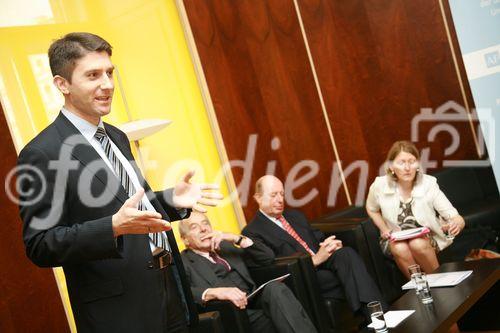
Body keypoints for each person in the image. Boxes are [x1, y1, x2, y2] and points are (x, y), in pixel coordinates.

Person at [17, 32, 222, 333]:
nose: (108, 84)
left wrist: (169, 200)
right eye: (93, 75)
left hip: (170, 290)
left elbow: (132, 206)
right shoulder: (43, 152)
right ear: (63, 85)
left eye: (110, 73)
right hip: (119, 313)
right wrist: (111, 227)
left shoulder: (116, 136)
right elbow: (40, 245)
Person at [242, 175, 386, 321]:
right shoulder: (252, 232)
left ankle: (376, 316)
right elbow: (273, 266)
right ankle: (375, 318)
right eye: (273, 195)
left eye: (282, 194)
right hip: (302, 276)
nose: (280, 200)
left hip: (324, 261)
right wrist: (314, 261)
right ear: (258, 198)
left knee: (346, 254)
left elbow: (317, 238)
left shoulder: (295, 215)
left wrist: (330, 245)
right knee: (348, 275)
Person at [179, 212, 317, 333]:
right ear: (185, 239)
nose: (203, 229)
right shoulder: (183, 261)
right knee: (280, 319)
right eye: (194, 227)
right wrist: (214, 292)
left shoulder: (225, 246)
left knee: (276, 288)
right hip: (232, 311)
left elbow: (267, 258)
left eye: (205, 223)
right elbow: (181, 294)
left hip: (254, 298)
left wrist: (236, 238)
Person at [366, 140, 465, 279]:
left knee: (417, 243)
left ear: (418, 164)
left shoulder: (428, 183)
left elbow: (455, 217)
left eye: (411, 161)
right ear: (391, 166)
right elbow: (371, 209)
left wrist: (457, 224)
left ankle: (439, 283)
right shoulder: (379, 185)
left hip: (426, 238)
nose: (407, 168)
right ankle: (420, 287)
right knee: (399, 247)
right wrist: (384, 229)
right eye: (401, 162)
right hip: (395, 239)